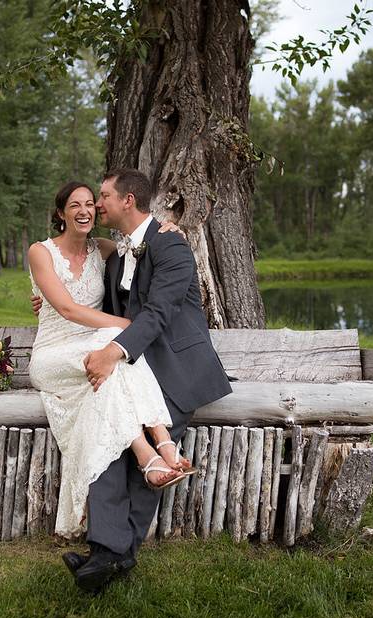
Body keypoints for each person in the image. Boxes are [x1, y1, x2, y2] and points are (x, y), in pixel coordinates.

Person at [32, 170, 232, 595]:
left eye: (102, 196)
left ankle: (112, 554)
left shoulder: (171, 245)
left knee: (134, 455)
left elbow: (157, 314)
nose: (96, 205)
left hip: (175, 369)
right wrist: (46, 303)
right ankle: (110, 554)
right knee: (106, 431)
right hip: (131, 368)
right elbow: (80, 301)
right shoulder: (117, 253)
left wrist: (114, 352)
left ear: (127, 201)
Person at [27, 181, 194, 558]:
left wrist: (170, 228)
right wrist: (127, 330)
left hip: (94, 356)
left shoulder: (104, 250)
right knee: (114, 352)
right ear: (60, 213)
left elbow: (143, 245)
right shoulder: (41, 252)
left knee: (112, 365)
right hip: (55, 355)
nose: (87, 210)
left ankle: (151, 456)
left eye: (92, 202)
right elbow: (68, 311)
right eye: (76, 205)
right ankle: (158, 445)